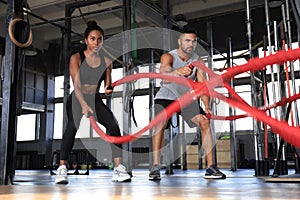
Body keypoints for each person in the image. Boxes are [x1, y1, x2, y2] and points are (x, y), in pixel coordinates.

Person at [55, 20, 131, 184]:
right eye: (93, 39)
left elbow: (107, 86)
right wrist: (83, 105)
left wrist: (109, 90)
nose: (96, 42)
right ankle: (62, 168)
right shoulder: (76, 58)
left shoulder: (106, 61)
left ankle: (118, 168)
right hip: (78, 98)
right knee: (72, 127)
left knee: (113, 126)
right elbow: (77, 85)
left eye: (99, 39)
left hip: (95, 99)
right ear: (86, 40)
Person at [149, 29, 226, 180]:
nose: (191, 44)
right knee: (161, 122)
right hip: (166, 96)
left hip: (185, 99)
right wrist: (178, 71)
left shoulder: (198, 61)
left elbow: (202, 86)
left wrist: (207, 105)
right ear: (180, 41)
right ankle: (155, 166)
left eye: (194, 41)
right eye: (187, 41)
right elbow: (164, 78)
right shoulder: (169, 56)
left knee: (204, 121)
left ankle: (210, 167)